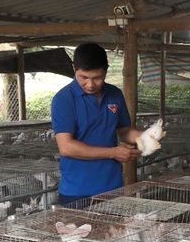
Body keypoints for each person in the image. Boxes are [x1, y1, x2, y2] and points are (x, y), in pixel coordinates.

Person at [51, 42, 142, 207]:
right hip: (77, 191)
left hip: (112, 187)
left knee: (115, 233)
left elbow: (125, 131)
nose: (90, 84)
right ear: (74, 69)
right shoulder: (64, 99)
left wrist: (145, 136)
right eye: (84, 77)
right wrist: (113, 152)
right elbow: (66, 147)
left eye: (97, 78)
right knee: (78, 233)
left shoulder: (115, 94)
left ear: (106, 70)